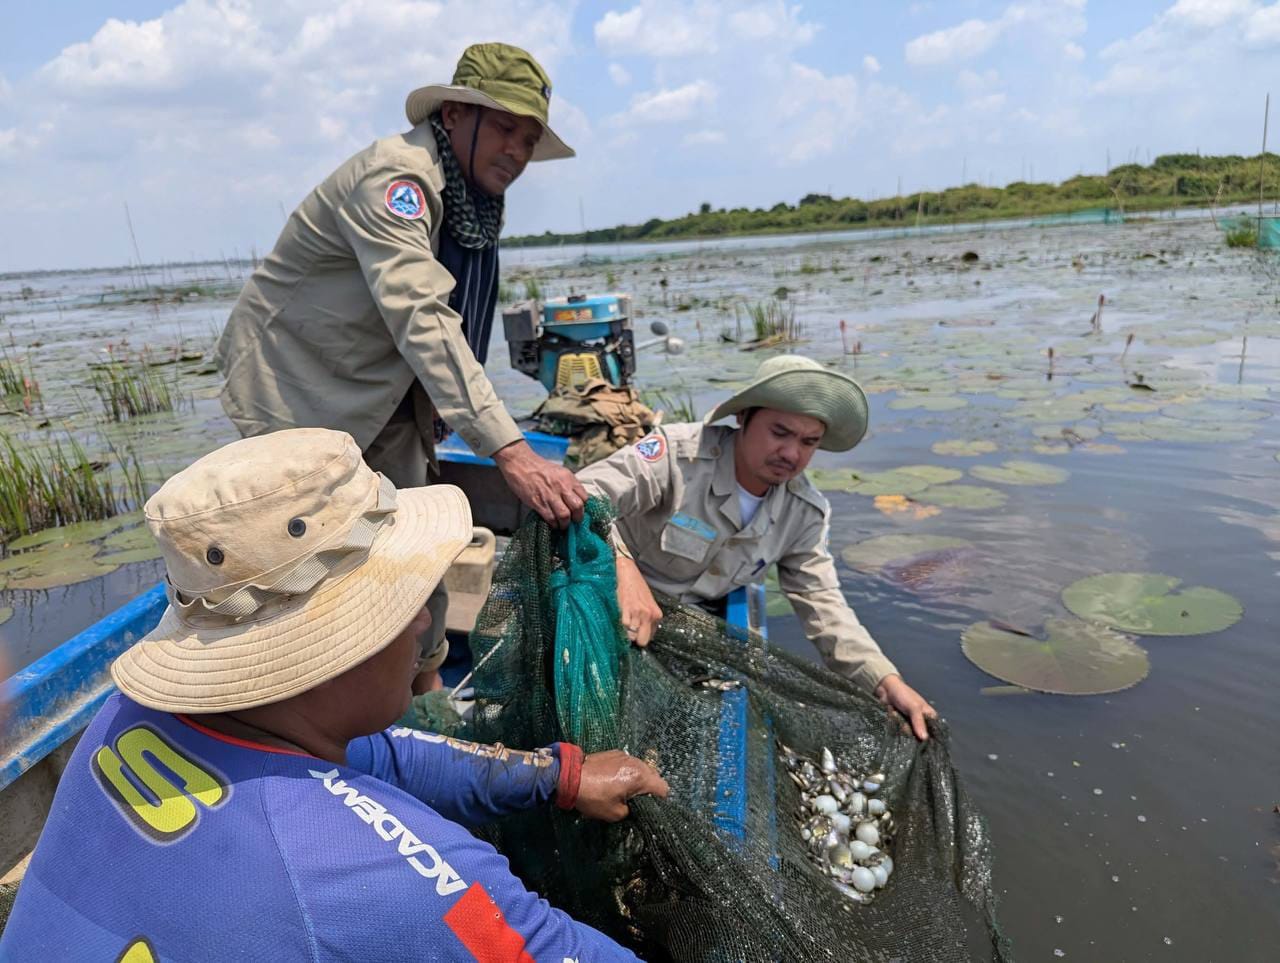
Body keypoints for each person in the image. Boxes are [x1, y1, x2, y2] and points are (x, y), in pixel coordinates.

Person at [0, 429, 665, 961]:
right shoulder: (388, 880)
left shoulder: (135, 711)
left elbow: (386, 756)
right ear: (331, 651)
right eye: (400, 599)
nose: (423, 620)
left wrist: (557, 774)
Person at [215, 42, 588, 690]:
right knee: (307, 566)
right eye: (505, 128)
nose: (517, 152)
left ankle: (424, 687)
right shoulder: (396, 181)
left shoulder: (473, 199)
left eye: (529, 140)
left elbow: (447, 318)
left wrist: (446, 407)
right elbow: (421, 313)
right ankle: (303, 694)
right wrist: (511, 451)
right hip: (297, 386)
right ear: (453, 115)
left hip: (383, 387)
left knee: (414, 551)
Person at [576, 356, 937, 740]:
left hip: (687, 624)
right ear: (743, 417)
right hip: (603, 596)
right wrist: (621, 566)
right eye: (780, 432)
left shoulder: (804, 512)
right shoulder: (677, 455)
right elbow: (581, 492)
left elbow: (823, 603)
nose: (792, 454)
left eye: (809, 442)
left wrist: (884, 680)